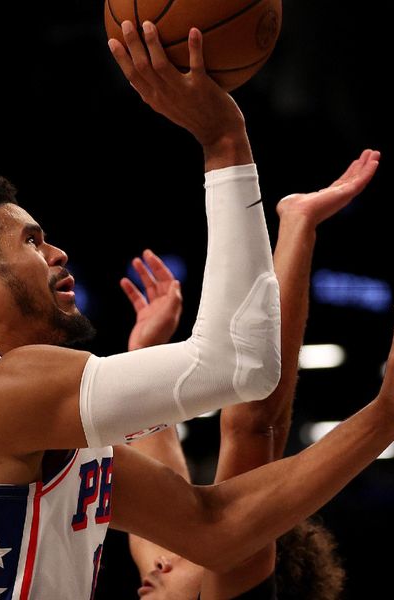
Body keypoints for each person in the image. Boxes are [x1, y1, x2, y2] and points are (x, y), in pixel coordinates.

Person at [0, 20, 394, 600]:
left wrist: (388, 415)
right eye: (32, 241)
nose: (57, 251)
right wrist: (225, 142)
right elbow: (239, 366)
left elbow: (214, 527)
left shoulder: (38, 421)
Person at [122, 150, 380, 599]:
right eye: (186, 554)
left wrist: (143, 352)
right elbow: (253, 423)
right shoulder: (232, 575)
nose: (159, 560)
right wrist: (298, 227)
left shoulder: (175, 568)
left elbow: (160, 488)